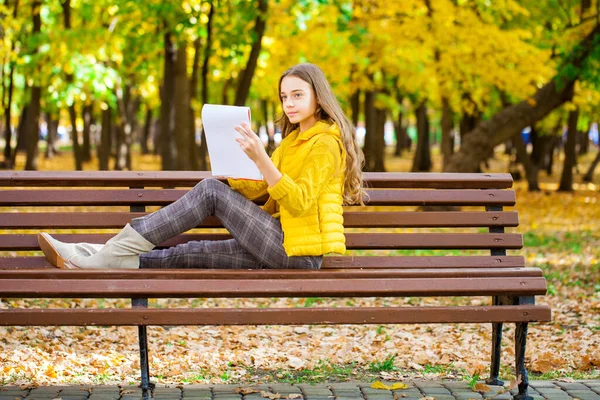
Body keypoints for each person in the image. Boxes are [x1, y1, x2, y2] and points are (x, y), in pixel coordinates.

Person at [38, 63, 365, 270]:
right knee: (190, 252)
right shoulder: (295, 142)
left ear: (318, 98)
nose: (289, 104)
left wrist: (260, 158)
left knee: (209, 192)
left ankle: (111, 251)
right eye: (284, 97)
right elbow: (262, 186)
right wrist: (232, 177)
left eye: (297, 95)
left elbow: (299, 200)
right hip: (278, 244)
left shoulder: (325, 143)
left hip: (297, 253)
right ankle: (99, 257)